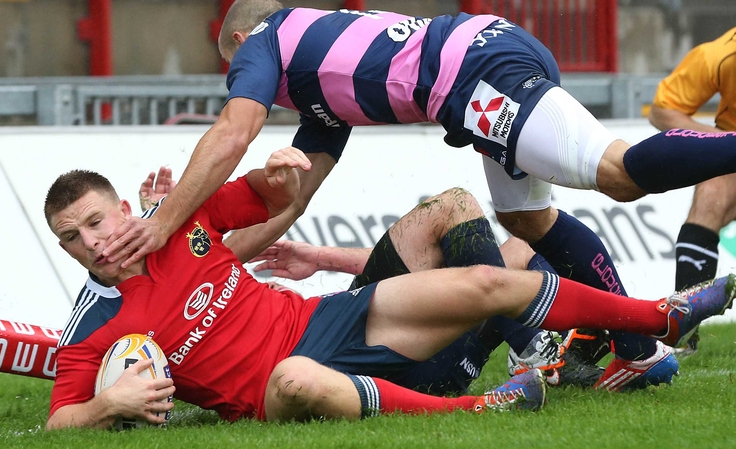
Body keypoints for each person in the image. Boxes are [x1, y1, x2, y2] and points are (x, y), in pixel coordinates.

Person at [102, 0, 736, 400]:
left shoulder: (262, 40)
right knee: (525, 218)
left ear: (238, 44)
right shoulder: (321, 94)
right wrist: (209, 258)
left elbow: (233, 132)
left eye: (234, 72)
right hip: (479, 59)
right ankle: (635, 353)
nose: (243, 83)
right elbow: (287, 208)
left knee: (617, 171)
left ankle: (600, 345)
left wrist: (164, 226)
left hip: (469, 74)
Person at [44, 149, 734, 429]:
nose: (93, 241)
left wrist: (278, 170)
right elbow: (57, 421)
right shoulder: (95, 322)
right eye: (73, 237)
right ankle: (480, 404)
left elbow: (258, 196)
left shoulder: (180, 223)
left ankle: (657, 319)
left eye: (98, 221)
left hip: (326, 319)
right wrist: (108, 402)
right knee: (295, 376)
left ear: (123, 211)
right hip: (276, 387)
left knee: (493, 274)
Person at [139, 169, 603, 391]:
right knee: (500, 234)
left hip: (376, 331)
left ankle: (581, 343)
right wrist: (166, 222)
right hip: (369, 356)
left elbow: (411, 277)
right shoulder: (163, 297)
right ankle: (544, 349)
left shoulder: (211, 268)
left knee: (512, 240)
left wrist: (320, 256)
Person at [648, 26, 736, 354]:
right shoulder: (719, 55)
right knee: (710, 196)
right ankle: (683, 330)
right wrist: (726, 143)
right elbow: (662, 110)